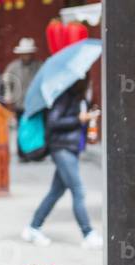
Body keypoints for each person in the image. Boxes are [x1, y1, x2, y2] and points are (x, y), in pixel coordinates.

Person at [22, 78, 103, 249]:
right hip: (61, 148)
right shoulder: (63, 96)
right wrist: (79, 119)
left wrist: (87, 115)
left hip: (70, 148)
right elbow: (54, 122)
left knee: (56, 191)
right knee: (78, 190)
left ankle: (33, 227)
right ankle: (88, 232)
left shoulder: (77, 97)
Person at [3, 38, 42, 119]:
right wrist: (10, 108)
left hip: (37, 107)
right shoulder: (12, 67)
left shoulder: (40, 66)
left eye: (28, 53)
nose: (26, 56)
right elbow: (6, 87)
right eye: (24, 53)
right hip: (18, 108)